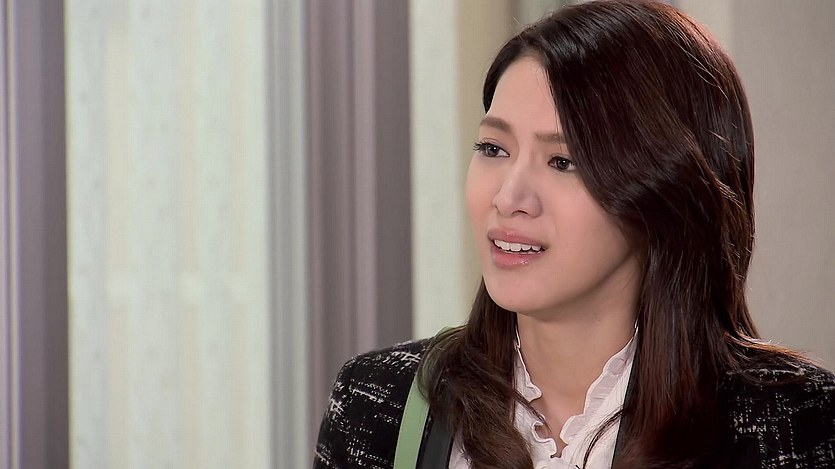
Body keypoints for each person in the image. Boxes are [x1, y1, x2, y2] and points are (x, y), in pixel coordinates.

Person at [312, 1, 835, 468]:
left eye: (563, 161)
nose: (509, 197)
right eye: (493, 148)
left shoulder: (796, 422)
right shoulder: (379, 403)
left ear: (667, 193)